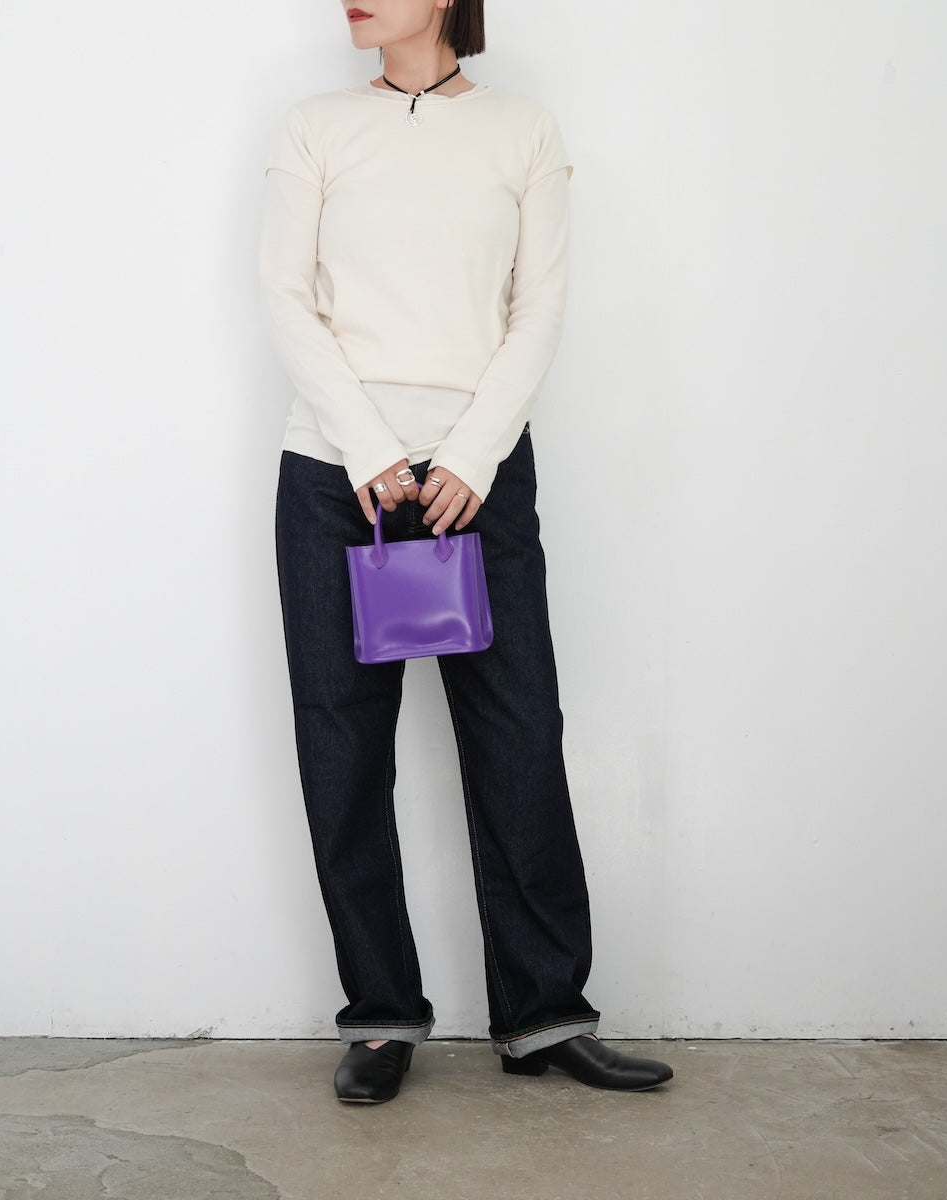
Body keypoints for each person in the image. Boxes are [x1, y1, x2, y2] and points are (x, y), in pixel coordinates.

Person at [259, 0, 673, 1104]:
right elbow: (285, 299)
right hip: (337, 480)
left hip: (475, 481)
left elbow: (538, 308)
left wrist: (473, 456)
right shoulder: (315, 127)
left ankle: (545, 1016)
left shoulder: (522, 130)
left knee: (519, 735)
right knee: (344, 749)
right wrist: (369, 449)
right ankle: (381, 1017)